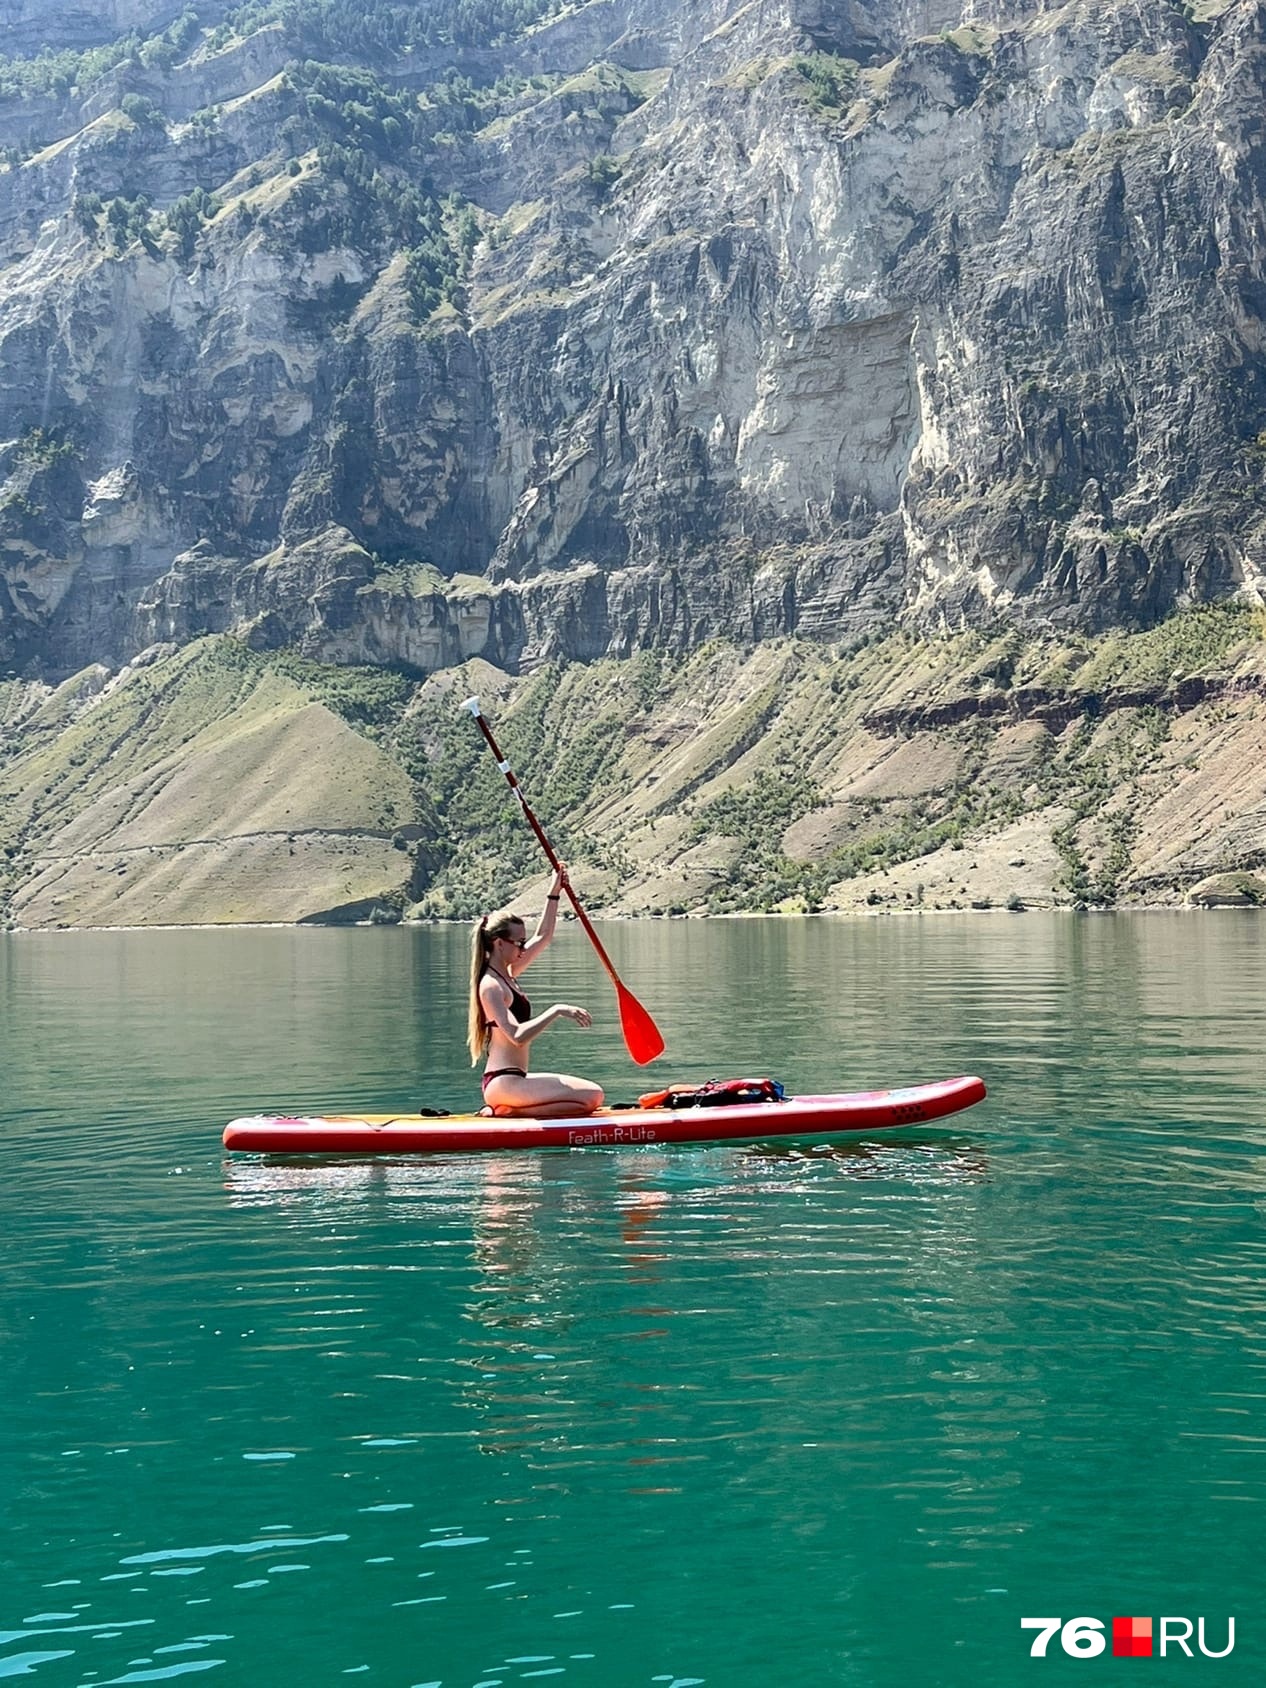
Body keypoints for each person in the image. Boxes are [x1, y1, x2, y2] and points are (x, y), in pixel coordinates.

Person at [468, 867, 604, 1118]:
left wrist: (554, 892)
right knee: (592, 1097)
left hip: (515, 1080)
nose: (523, 947)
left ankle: (511, 1110)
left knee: (591, 1097)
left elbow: (544, 935)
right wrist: (556, 1010)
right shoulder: (491, 986)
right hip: (503, 1083)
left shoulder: (509, 972)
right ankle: (507, 1112)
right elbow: (517, 1036)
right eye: (519, 942)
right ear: (499, 944)